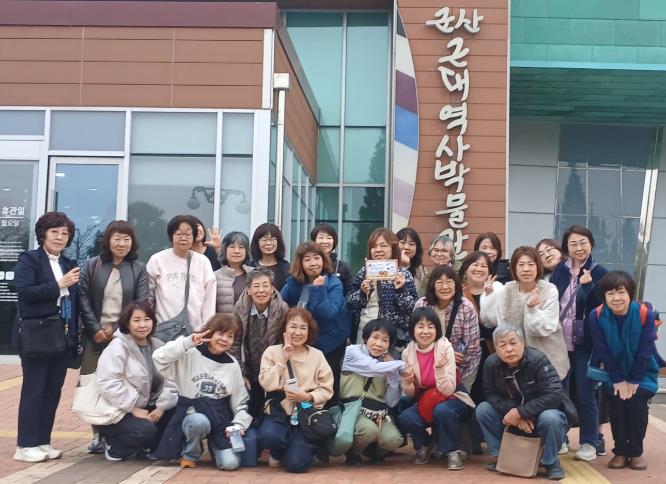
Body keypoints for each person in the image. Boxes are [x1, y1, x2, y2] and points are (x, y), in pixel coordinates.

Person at [13, 212, 80, 463]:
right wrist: (59, 285)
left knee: (52, 390)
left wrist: (74, 334)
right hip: (37, 333)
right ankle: (25, 445)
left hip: (62, 334)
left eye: (65, 233)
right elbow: (24, 292)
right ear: (43, 234)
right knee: (34, 389)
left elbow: (74, 301)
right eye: (55, 232)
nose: (60, 237)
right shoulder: (30, 259)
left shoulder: (68, 263)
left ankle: (42, 441)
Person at [78, 220, 150, 453]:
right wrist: (95, 329)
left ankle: (117, 432)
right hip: (95, 337)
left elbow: (141, 302)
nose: (121, 243)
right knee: (93, 385)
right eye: (117, 238)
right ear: (108, 241)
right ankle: (98, 434)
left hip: (124, 336)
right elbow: (83, 299)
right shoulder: (92, 265)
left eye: (126, 239)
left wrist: (117, 329)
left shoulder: (138, 268)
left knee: (124, 383)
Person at [151, 314, 256, 470]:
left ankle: (215, 447)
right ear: (210, 332)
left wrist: (238, 425)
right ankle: (191, 453)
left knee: (230, 464)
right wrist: (187, 343)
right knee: (198, 422)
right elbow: (158, 357)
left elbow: (240, 401)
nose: (224, 339)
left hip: (219, 418)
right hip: (192, 414)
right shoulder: (190, 353)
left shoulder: (232, 364)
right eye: (220, 333)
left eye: (230, 336)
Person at [475, 325, 577, 481]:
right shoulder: (491, 363)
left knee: (551, 418)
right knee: (483, 409)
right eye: (502, 345)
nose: (509, 349)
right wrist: (516, 414)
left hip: (542, 414)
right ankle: (502, 457)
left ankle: (551, 462)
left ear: (523, 343)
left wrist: (521, 412)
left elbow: (555, 394)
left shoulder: (537, 359)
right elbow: (491, 394)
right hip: (515, 415)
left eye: (513, 343)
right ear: (495, 348)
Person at [588, 271, 659, 471]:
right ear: (604, 296)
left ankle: (635, 452)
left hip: (642, 373)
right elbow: (603, 350)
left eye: (621, 292)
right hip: (613, 373)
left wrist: (634, 380)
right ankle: (620, 451)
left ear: (630, 293)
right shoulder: (596, 316)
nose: (616, 298)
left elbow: (645, 350)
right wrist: (618, 380)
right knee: (617, 407)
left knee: (637, 404)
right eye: (610, 293)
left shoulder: (645, 314)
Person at [549, 225, 608, 461]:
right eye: (573, 243)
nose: (579, 247)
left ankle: (589, 442)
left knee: (585, 393)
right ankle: (560, 439)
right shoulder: (560, 271)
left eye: (583, 242)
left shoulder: (600, 272)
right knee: (559, 392)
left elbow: (602, 307)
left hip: (585, 344)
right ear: (566, 247)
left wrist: (588, 286)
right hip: (559, 343)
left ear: (591, 244)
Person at [96, 300, 178, 461]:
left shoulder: (159, 346)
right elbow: (108, 383)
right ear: (127, 323)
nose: (142, 325)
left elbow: (172, 378)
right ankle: (115, 447)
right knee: (145, 430)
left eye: (147, 319)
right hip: (120, 409)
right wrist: (132, 408)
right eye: (136, 320)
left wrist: (162, 407)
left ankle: (147, 446)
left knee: (178, 413)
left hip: (150, 406)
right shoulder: (117, 347)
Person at [258, 307, 334, 473]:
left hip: (305, 413)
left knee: (297, 465)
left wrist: (307, 396)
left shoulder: (317, 355)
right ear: (284, 328)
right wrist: (283, 360)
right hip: (279, 410)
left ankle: (300, 449)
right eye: (293, 326)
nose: (297, 332)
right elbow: (267, 383)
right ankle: (278, 451)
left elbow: (327, 388)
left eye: (303, 328)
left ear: (309, 331)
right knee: (269, 436)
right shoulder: (272, 352)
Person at [399, 307, 475, 469]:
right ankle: (427, 444)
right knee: (406, 417)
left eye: (430, 326)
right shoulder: (407, 353)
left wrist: (439, 370)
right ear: (412, 329)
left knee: (442, 410)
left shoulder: (445, 348)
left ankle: (451, 452)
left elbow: (448, 389)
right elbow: (411, 394)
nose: (425, 331)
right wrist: (407, 382)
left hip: (454, 396)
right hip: (427, 398)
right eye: (420, 326)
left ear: (437, 329)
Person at [480, 246, 569, 380]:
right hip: (516, 364)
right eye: (521, 265)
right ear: (514, 268)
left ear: (538, 267)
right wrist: (489, 297)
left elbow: (544, 328)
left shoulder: (549, 290)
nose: (526, 269)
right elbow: (500, 327)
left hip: (548, 362)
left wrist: (532, 309)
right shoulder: (506, 291)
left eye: (531, 264)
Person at [281, 241, 351, 399]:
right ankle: (303, 408)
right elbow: (280, 303)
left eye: (316, 258)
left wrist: (318, 289)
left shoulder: (333, 282)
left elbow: (327, 313)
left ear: (323, 260)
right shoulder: (294, 282)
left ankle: (327, 409)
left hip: (331, 339)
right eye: (307, 259)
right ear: (300, 263)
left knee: (326, 380)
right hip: (304, 338)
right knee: (304, 379)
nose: (313, 263)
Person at [339, 319, 405, 465]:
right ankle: (354, 452)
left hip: (377, 412)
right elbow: (372, 368)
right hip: (352, 410)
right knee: (367, 430)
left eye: (385, 340)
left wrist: (393, 375)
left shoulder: (389, 364)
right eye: (375, 337)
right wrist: (401, 365)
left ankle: (373, 452)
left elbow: (391, 401)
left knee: (394, 440)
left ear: (389, 345)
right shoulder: (352, 351)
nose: (378, 343)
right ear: (365, 338)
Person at [347, 227, 417, 351]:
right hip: (365, 333)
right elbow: (350, 302)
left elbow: (412, 308)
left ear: (393, 248)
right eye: (374, 246)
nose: (378, 250)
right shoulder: (364, 272)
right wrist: (362, 293)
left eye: (383, 245)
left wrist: (400, 290)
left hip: (392, 337)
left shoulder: (403, 273)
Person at [232, 266, 289, 419]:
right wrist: (241, 374)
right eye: (256, 286)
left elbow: (283, 342)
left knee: (272, 409)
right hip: (249, 364)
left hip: (273, 366)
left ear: (272, 288)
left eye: (265, 285)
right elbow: (235, 343)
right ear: (248, 290)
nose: (261, 290)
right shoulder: (239, 307)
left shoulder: (282, 308)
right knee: (250, 406)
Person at [414, 265, 481, 390]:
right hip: (429, 365)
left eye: (449, 282)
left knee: (455, 400)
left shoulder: (466, 307)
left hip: (463, 368)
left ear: (456, 285)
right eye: (439, 282)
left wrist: (452, 358)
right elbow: (416, 337)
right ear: (432, 285)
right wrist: (445, 355)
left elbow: (470, 344)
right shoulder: (422, 304)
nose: (445, 287)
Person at [146, 215, 216, 334]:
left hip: (195, 334)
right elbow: (148, 297)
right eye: (178, 234)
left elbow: (209, 299)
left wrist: (207, 329)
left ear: (194, 237)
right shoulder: (157, 260)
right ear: (171, 236)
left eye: (188, 234)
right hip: (163, 332)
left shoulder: (203, 262)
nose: (183, 238)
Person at [457, 251, 502, 403]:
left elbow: (500, 325)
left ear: (489, 271)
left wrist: (490, 297)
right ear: (465, 269)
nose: (479, 269)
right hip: (466, 353)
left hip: (491, 350)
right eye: (475, 265)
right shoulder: (457, 293)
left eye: (483, 266)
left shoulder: (498, 291)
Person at [215, 232, 253, 316]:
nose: (236, 251)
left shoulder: (254, 274)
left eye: (241, 247)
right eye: (232, 247)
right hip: (223, 323)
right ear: (224, 250)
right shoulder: (215, 276)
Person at [310, 223, 352, 295]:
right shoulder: (307, 265)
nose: (325, 241)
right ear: (314, 240)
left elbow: (349, 294)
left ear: (334, 241)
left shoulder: (342, 267)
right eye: (321, 237)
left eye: (329, 238)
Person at [249, 223, 290, 290]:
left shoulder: (287, 268)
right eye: (264, 240)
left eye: (272, 239)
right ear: (257, 243)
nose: (268, 243)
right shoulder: (250, 267)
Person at [397, 227, 428, 297]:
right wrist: (402, 266)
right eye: (402, 243)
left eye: (411, 244)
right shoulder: (388, 267)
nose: (406, 247)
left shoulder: (421, 270)